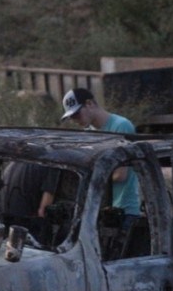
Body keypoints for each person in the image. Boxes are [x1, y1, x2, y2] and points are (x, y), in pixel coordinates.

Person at [60, 88, 140, 225]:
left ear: (89, 104)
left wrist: (87, 177)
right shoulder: (88, 134)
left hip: (123, 209)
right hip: (98, 208)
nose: (74, 120)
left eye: (77, 114)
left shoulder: (121, 126)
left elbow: (120, 175)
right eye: (71, 117)